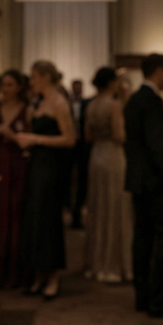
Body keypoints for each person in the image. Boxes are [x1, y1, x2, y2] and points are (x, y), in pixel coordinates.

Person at [125, 53, 163, 318]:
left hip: (139, 180)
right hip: (155, 181)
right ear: (158, 71)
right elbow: (157, 144)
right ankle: (158, 299)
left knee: (142, 239)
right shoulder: (151, 100)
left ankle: (143, 296)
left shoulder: (135, 99)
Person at [16, 61, 76, 299]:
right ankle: (39, 274)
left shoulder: (59, 103)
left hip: (51, 167)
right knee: (35, 219)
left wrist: (35, 139)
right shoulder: (39, 101)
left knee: (48, 219)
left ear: (45, 77)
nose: (30, 82)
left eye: (33, 77)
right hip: (37, 165)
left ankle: (53, 276)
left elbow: (70, 139)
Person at [85, 67, 133, 283]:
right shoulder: (114, 105)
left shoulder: (92, 105)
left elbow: (87, 135)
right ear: (112, 83)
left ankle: (96, 262)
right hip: (113, 156)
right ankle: (114, 264)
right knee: (115, 206)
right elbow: (119, 135)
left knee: (98, 206)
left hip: (97, 155)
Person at [0, 70, 30, 287]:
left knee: (16, 216)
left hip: (18, 167)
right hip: (0, 165)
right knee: (1, 217)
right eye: (3, 85)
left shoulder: (27, 111)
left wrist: (11, 135)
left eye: (10, 85)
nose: (6, 90)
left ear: (19, 88)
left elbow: (29, 141)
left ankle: (15, 272)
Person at [69, 79, 91, 229]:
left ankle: (77, 212)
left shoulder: (87, 104)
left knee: (83, 181)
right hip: (68, 148)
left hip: (83, 147)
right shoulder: (66, 103)